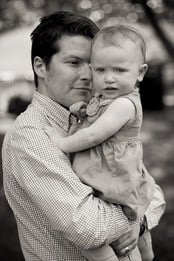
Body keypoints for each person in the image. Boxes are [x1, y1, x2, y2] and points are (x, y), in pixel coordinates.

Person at [2, 11, 146, 261]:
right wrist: (133, 215)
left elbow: (149, 187)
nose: (89, 75)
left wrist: (140, 219)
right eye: (73, 62)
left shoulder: (100, 117)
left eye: (92, 65)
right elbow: (90, 229)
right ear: (40, 66)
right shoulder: (31, 136)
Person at [44, 25, 166, 261]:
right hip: (106, 178)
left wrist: (61, 142)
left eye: (120, 70)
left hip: (114, 181)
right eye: (100, 70)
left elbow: (93, 135)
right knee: (130, 238)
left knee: (119, 242)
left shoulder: (124, 105)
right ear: (92, 69)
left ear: (140, 73)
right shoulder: (103, 97)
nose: (109, 78)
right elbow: (93, 115)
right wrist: (81, 110)